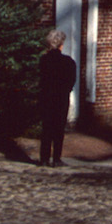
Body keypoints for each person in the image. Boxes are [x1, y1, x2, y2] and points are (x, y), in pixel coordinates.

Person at [37, 29, 76, 167]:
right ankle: (56, 159)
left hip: (46, 98)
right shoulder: (68, 62)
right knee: (59, 129)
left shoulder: (43, 61)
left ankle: (44, 158)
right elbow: (71, 82)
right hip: (61, 98)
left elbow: (40, 80)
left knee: (46, 128)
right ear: (61, 44)